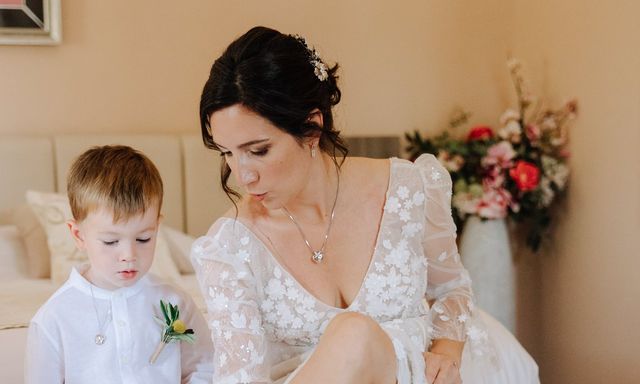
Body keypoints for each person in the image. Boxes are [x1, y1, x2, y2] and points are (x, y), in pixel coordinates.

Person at [192, 26, 539, 384]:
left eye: (258, 151)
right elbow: (240, 378)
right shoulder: (229, 247)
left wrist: (447, 351)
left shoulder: (406, 190)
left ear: (312, 127)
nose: (242, 176)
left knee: (355, 334)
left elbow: (451, 289)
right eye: (227, 154)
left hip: (417, 376)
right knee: (353, 335)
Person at [25, 145, 214, 384]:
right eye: (111, 241)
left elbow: (205, 367)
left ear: (158, 226)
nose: (129, 254)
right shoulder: (54, 318)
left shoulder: (176, 302)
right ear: (78, 235)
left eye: (144, 238)